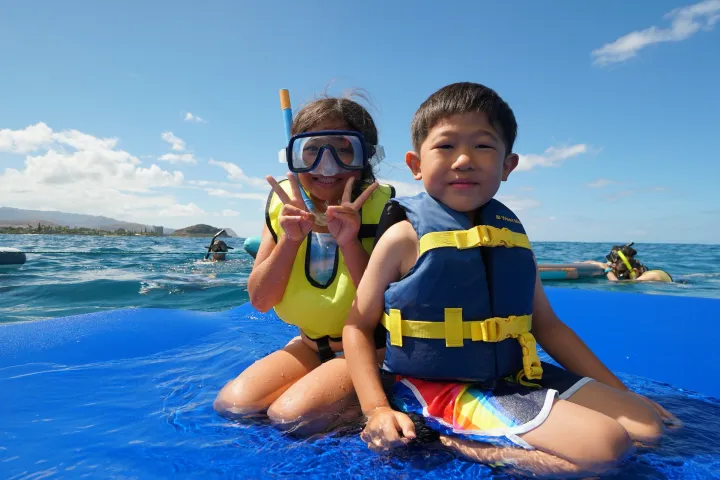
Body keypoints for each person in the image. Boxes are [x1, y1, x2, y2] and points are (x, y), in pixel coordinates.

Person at [342, 82, 678, 476]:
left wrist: (622, 393)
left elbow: (548, 326)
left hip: (514, 377)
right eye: (446, 146)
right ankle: (455, 443)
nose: (464, 159)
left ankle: (495, 430)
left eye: (483, 146)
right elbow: (357, 326)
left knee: (647, 425)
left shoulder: (510, 234)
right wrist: (376, 409)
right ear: (416, 164)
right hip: (438, 386)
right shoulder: (403, 237)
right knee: (606, 449)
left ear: (507, 165)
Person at [213, 93, 395, 434]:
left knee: (291, 417)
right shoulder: (284, 207)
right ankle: (325, 389)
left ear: (365, 158)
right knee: (233, 405)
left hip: (373, 351)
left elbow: (387, 309)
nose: (326, 166)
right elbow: (261, 301)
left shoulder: (387, 212)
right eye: (312, 150)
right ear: (294, 155)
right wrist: (290, 239)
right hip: (309, 345)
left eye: (343, 150)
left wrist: (350, 241)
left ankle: (383, 400)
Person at [583, 243, 673, 283]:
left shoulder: (649, 276)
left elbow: (615, 283)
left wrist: (606, 268)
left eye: (622, 275)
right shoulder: (644, 276)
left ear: (634, 270)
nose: (622, 276)